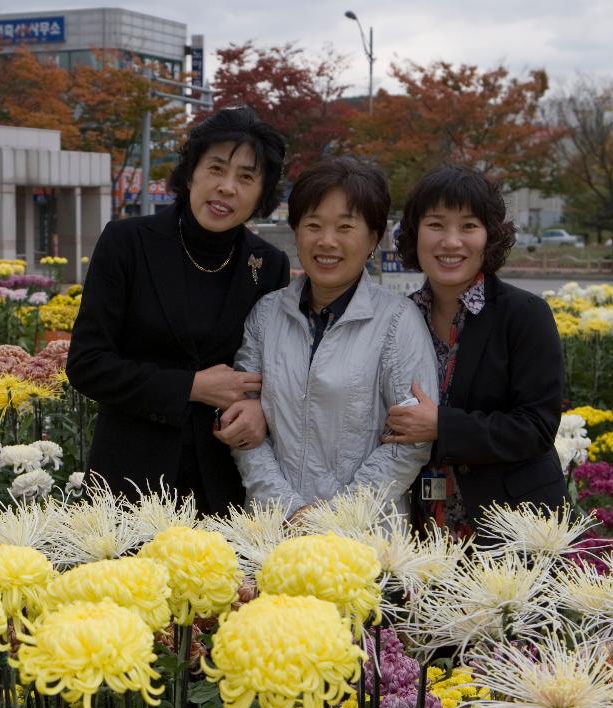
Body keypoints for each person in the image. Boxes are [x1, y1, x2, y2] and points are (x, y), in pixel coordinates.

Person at [66, 107, 291, 513]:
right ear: (190, 174)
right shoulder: (128, 243)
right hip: (129, 481)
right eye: (216, 168)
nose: (226, 187)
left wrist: (259, 408)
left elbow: (275, 372)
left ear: (262, 195)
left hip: (225, 486)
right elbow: (87, 364)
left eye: (246, 177)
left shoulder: (267, 265)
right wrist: (191, 386)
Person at [232, 156, 438, 517]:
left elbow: (410, 443)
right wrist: (289, 511)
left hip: (364, 537)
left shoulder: (397, 320)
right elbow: (243, 428)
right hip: (271, 528)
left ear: (373, 237)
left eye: (345, 227)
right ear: (296, 230)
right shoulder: (267, 315)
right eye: (313, 225)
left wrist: (337, 518)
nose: (326, 241)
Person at [381, 165, 566, 536]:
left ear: (490, 236)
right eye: (436, 225)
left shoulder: (525, 315)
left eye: (468, 226)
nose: (451, 242)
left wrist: (442, 426)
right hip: (422, 528)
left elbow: (536, 427)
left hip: (511, 526)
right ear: (414, 235)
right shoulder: (398, 318)